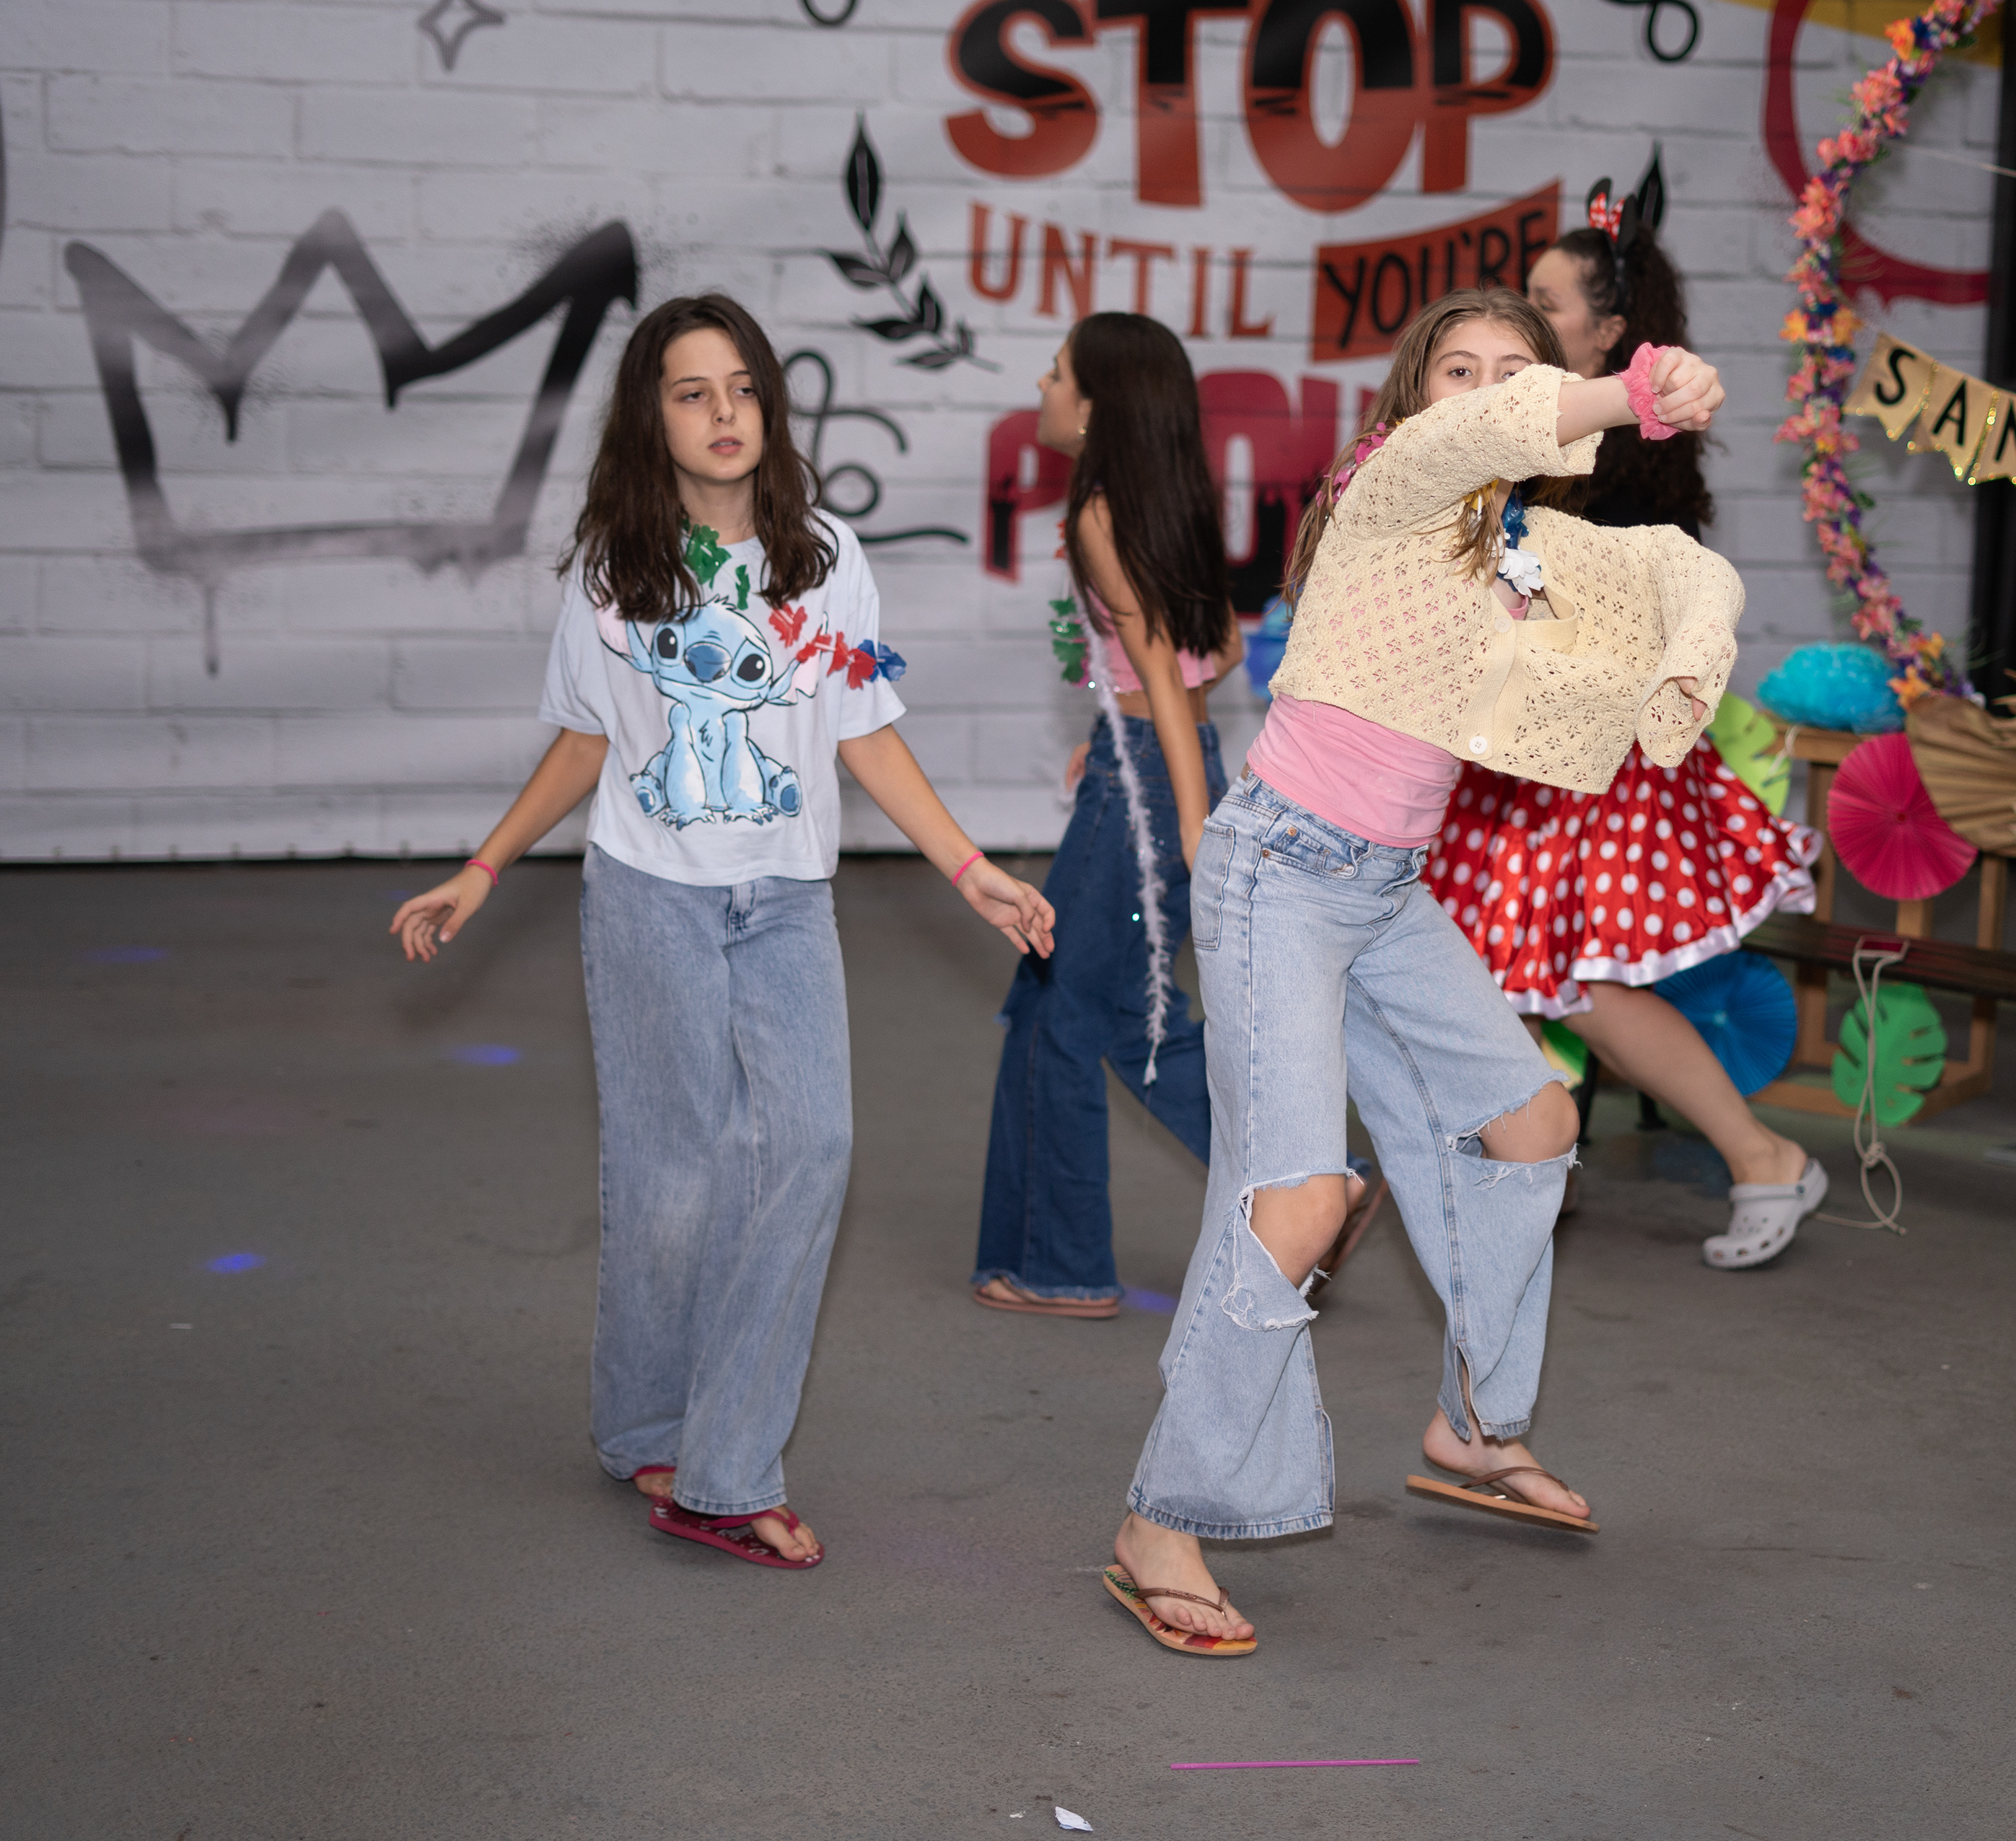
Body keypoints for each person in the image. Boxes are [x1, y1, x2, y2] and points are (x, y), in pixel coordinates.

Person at [1100, 287, 1738, 1655]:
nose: (1491, 391)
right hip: (1279, 874)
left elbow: (1670, 569)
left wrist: (1693, 641)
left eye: (1517, 369)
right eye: (1463, 369)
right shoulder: (1388, 481)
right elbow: (1488, 435)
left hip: (1386, 895)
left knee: (1536, 1122)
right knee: (1297, 1208)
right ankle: (1163, 1518)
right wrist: (1633, 390)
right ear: (1416, 393)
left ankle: (1475, 1425)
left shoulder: (1514, 544)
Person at [391, 293, 1054, 1570]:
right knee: (670, 1176)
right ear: (653, 418)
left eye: (744, 387)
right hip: (649, 896)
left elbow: (866, 732)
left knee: (813, 1147)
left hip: (788, 900)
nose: (725, 413)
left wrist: (970, 867)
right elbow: (585, 741)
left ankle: (725, 1467)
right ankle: (648, 1423)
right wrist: (482, 867)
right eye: (693, 393)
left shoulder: (827, 555)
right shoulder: (614, 570)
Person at [1417, 186, 1824, 1273]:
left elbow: (1595, 626)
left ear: (1610, 331)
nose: (1527, 316)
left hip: (1586, 759)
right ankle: (1538, 1153)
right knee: (1487, 968)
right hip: (1522, 757)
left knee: (1573, 980)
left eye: (1548, 303)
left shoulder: (1615, 458)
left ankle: (1761, 1157)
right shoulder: (1533, 432)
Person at [973, 315, 1372, 1318]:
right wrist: (1122, 730)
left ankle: (1063, 1266)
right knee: (1124, 1016)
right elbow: (1214, 651)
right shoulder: (1162, 502)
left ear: (1097, 405)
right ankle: (1318, 1183)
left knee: (1061, 1017)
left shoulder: (1102, 513)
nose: (1044, 387)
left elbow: (1158, 660)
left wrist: (1186, 815)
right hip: (1157, 761)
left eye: (1057, 373)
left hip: (1148, 788)